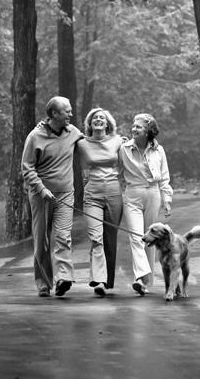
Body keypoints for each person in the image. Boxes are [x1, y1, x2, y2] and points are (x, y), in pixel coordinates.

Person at [21, 96, 84, 298]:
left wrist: (120, 143)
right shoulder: (35, 136)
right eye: (67, 111)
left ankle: (64, 278)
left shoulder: (72, 132)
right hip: (42, 196)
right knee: (42, 240)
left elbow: (92, 145)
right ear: (54, 114)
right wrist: (41, 189)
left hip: (65, 193)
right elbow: (27, 168)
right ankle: (43, 283)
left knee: (62, 235)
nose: (71, 114)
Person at [119, 113, 173, 296]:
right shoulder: (123, 148)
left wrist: (167, 200)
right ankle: (141, 276)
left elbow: (164, 178)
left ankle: (146, 282)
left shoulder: (159, 150)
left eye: (138, 127)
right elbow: (114, 168)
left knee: (150, 238)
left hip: (153, 194)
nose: (134, 129)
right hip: (132, 194)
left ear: (148, 131)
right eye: (133, 126)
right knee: (136, 236)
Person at [77, 108, 123, 297]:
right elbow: (60, 139)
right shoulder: (80, 143)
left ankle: (108, 280)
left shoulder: (119, 140)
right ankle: (100, 280)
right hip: (92, 192)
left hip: (113, 191)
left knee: (110, 238)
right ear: (89, 123)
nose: (98, 120)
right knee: (96, 237)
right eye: (94, 118)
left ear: (107, 123)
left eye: (101, 118)